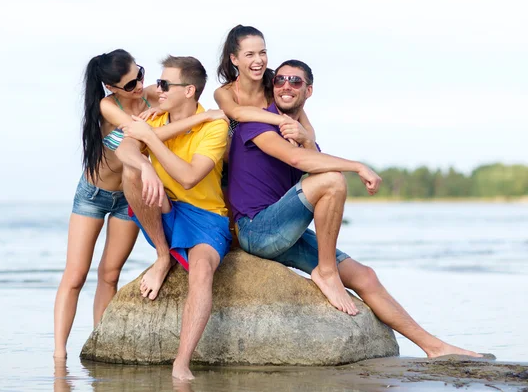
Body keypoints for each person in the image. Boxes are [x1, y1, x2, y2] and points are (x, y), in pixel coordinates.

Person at [228, 58, 481, 358]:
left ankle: (435, 347)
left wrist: (308, 139)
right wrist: (358, 166)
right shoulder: (257, 120)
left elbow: (310, 162)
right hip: (256, 229)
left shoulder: (300, 131)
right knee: (333, 182)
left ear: (308, 91)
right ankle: (326, 272)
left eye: (295, 82)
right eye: (280, 80)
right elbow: (301, 164)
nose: (286, 86)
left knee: (366, 276)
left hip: (282, 231)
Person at [53, 49, 225, 359]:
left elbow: (167, 116)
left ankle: (98, 341)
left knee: (110, 273)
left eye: (141, 75)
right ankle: (59, 355)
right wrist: (202, 117)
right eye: (131, 84)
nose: (141, 85)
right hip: (94, 192)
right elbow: (140, 137)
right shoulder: (109, 105)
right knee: (76, 275)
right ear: (113, 88)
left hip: (128, 196)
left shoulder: (152, 95)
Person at [114, 55, 231, 380]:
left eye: (165, 84)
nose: (157, 89)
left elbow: (190, 177)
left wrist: (150, 141)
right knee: (131, 171)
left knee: (202, 270)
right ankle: (163, 257)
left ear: (190, 90)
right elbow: (124, 151)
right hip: (164, 209)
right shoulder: (155, 116)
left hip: (207, 216)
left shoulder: (215, 123)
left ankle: (182, 363)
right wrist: (145, 164)